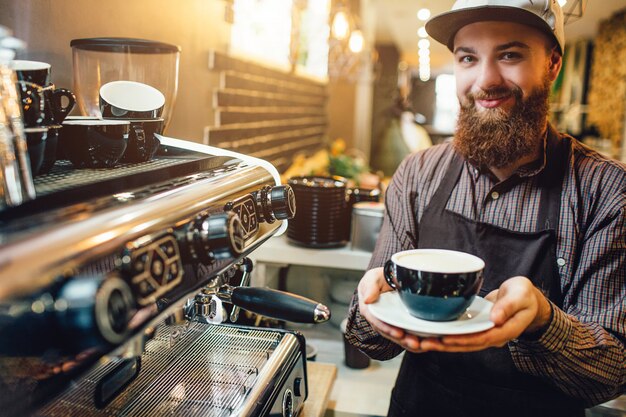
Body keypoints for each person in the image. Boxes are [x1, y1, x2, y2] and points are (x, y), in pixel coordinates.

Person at [344, 1, 626, 416]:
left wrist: (544, 322)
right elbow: (371, 343)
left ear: (552, 64)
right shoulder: (419, 174)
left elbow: (610, 373)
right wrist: (370, 309)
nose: (486, 80)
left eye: (510, 55)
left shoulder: (605, 189)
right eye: (468, 58)